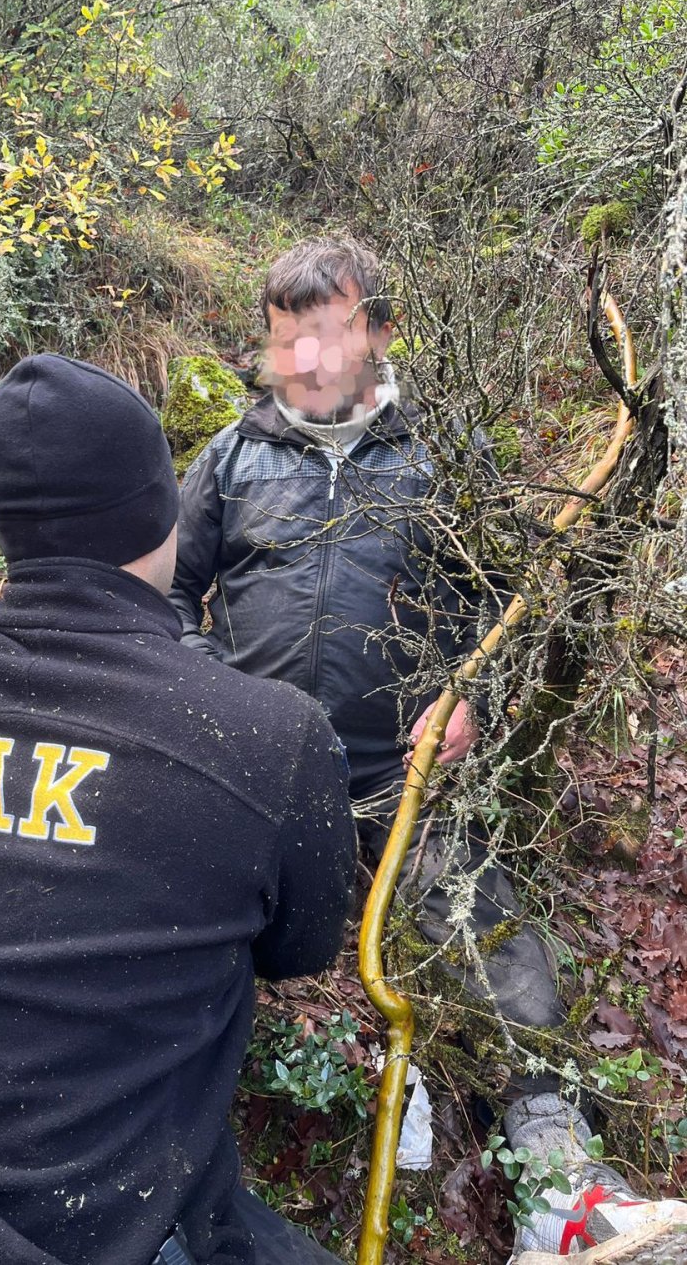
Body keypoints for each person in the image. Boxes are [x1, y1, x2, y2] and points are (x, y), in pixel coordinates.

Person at [169, 238, 687, 1262]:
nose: (307, 363)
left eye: (327, 335)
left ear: (377, 332)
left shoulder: (441, 458)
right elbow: (169, 595)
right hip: (248, 774)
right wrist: (205, 690)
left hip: (396, 777)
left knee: (494, 932)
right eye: (285, 342)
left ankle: (560, 1192)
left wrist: (469, 695)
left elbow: (500, 603)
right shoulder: (228, 460)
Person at [0, 353, 357, 1265]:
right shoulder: (270, 737)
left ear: (5, 526)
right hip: (106, 1224)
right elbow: (299, 948)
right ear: (162, 511)